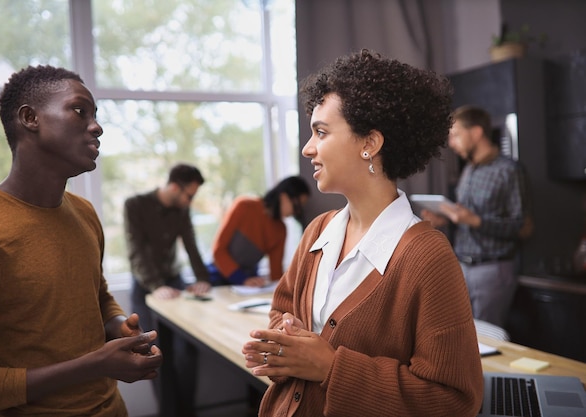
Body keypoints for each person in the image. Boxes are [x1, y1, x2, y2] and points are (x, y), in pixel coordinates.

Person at [242, 49, 484, 416]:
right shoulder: (317, 233)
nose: (308, 148)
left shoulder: (427, 258)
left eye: (321, 132)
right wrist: (284, 340)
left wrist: (329, 367)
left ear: (370, 144)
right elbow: (283, 308)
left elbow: (453, 400)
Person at [0, 65, 162, 416]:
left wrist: (118, 325)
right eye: (79, 110)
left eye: (96, 115)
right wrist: (95, 365)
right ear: (30, 118)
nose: (97, 126)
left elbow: (97, 295)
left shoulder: (84, 213)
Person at [421, 105, 532, 328]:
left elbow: (523, 227)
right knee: (460, 336)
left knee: (486, 340)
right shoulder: (469, 170)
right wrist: (446, 219)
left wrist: (475, 220)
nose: (451, 143)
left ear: (477, 132)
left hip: (492, 271)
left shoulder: (509, 170)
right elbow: (465, 219)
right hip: (461, 267)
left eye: (456, 135)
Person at [123, 163, 211, 417]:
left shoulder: (182, 211)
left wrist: (202, 278)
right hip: (146, 287)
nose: (191, 201)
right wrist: (156, 286)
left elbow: (192, 245)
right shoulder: (135, 205)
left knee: (187, 352)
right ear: (174, 187)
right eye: (190, 195)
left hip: (175, 284)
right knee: (156, 355)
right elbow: (135, 251)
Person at [208, 175, 311, 287]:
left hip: (249, 284)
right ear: (284, 197)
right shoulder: (244, 206)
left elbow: (276, 273)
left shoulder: (280, 230)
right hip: (218, 278)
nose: (297, 212)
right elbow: (218, 251)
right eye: (297, 205)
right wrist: (242, 279)